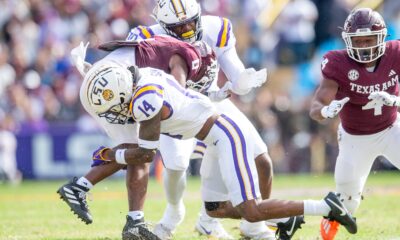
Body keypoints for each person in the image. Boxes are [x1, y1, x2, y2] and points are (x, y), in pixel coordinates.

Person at [84, 62, 358, 239]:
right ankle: (286, 214)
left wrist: (110, 155)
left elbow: (145, 155)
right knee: (215, 209)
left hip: (224, 135)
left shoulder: (145, 100)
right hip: (212, 138)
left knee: (251, 210)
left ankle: (326, 205)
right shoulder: (143, 76)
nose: (115, 113)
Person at [126, 1, 288, 239]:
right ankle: (174, 212)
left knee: (261, 158)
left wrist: (243, 81)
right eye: (180, 27)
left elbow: (235, 71)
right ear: (163, 25)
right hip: (176, 108)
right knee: (177, 165)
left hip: (213, 100)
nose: (189, 30)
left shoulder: (216, 28)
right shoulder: (147, 37)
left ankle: (248, 225)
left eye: (192, 22)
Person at [309, 8, 400, 240]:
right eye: (358, 41)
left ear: (382, 37)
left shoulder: (396, 53)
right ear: (348, 41)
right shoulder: (337, 62)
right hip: (354, 138)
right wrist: (326, 111)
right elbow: (316, 105)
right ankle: (328, 230)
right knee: (346, 203)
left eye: (369, 39)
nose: (365, 47)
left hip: (391, 128)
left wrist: (396, 101)